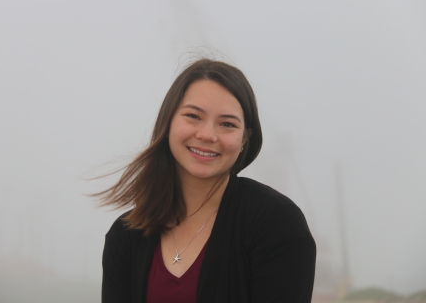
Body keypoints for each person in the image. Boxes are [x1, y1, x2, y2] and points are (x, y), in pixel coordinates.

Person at [97, 59, 316, 302]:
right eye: (193, 116)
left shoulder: (277, 223)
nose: (207, 135)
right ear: (168, 122)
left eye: (227, 124)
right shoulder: (126, 235)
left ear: (245, 139)